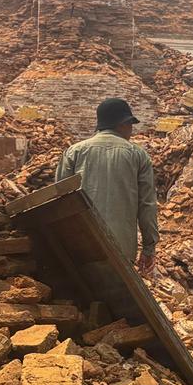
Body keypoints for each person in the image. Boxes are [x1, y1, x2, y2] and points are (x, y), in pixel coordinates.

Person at [56, 97, 158, 275]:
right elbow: (147, 205)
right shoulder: (138, 155)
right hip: (121, 247)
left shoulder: (75, 152)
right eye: (130, 125)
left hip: (80, 244)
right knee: (116, 297)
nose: (131, 130)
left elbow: (59, 199)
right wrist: (149, 248)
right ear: (123, 124)